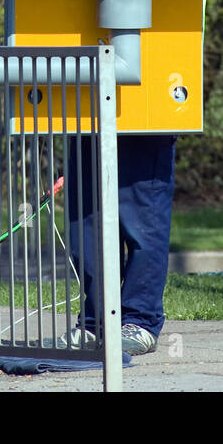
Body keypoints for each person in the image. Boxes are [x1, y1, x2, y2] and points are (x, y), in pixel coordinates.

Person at [65, 132, 176, 355]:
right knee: (87, 230)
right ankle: (97, 322)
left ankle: (140, 320)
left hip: (144, 118)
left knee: (144, 226)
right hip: (86, 120)